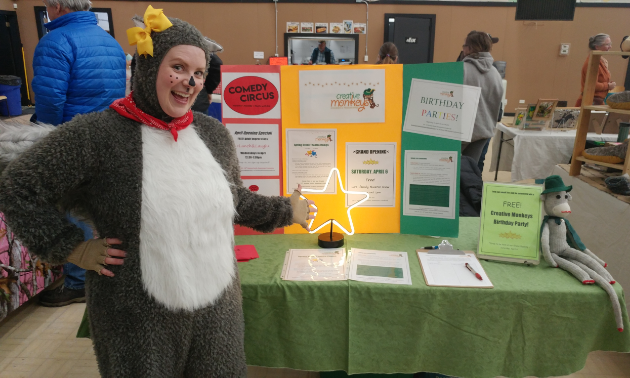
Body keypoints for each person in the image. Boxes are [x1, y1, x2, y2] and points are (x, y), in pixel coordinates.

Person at [0, 6, 313, 376]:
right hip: (137, 316)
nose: (190, 82)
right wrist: (70, 247)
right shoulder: (97, 135)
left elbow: (234, 200)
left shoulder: (212, 134)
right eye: (178, 67)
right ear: (147, 67)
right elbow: (19, 186)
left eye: (198, 73)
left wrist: (284, 210)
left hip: (217, 312)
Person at [30, 0, 126, 307]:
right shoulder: (110, 42)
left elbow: (49, 102)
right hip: (106, 135)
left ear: (57, 6)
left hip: (70, 139)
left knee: (71, 210)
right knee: (100, 207)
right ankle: (111, 267)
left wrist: (42, 139)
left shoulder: (55, 41)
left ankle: (77, 281)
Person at [460, 31, 503, 163]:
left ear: (470, 48)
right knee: (470, 171)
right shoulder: (495, 73)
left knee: (449, 170)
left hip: (460, 131)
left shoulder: (461, 69)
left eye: (464, 46)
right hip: (483, 130)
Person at [575, 33, 616, 106]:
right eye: (607, 44)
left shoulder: (601, 61)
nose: (610, 47)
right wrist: (608, 86)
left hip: (597, 101)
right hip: (589, 101)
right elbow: (593, 85)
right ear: (597, 47)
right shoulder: (592, 63)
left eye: (610, 44)